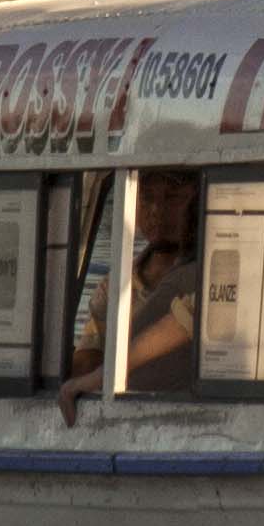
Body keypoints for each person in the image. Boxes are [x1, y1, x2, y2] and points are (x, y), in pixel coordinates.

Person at [60, 167, 201, 406]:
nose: (156, 210)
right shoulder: (116, 283)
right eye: (146, 197)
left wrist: (103, 375)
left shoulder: (203, 274)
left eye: (173, 198)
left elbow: (186, 318)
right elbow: (90, 355)